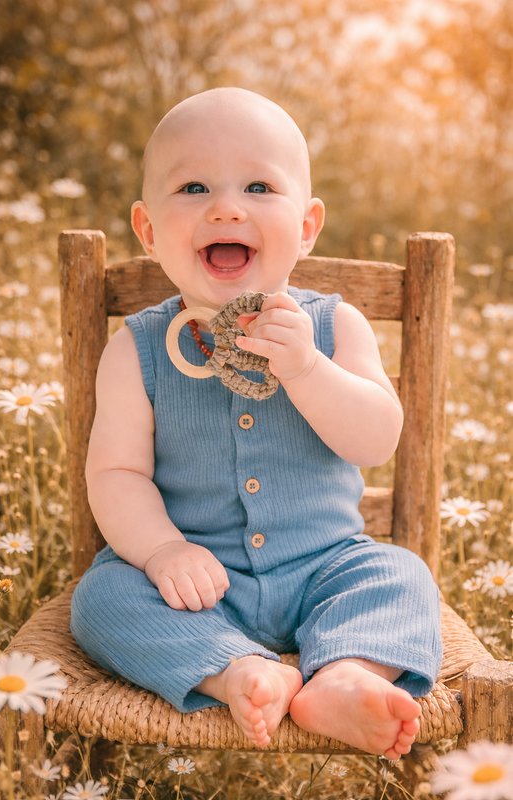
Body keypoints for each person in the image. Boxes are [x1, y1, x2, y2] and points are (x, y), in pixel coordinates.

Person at [70, 87, 442, 760]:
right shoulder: (137, 349)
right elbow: (116, 472)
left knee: (400, 576)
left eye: (258, 186)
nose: (226, 206)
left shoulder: (333, 327)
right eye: (192, 186)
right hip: (198, 586)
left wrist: (306, 369)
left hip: (327, 569)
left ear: (305, 226)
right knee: (99, 597)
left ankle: (343, 675)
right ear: (148, 230)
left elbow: (375, 441)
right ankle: (238, 669)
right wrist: (161, 552)